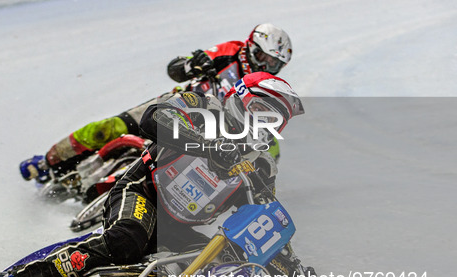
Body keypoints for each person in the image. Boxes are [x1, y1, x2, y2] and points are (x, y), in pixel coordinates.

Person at [0, 72, 318, 277]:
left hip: (177, 226)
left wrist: (292, 269)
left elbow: (262, 221)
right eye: (265, 113)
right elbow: (155, 118)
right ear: (244, 99)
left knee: (219, 269)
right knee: (126, 240)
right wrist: (208, 146)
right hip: (142, 190)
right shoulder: (203, 104)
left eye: (276, 121)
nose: (267, 125)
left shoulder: (260, 166)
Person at [20, 23, 294, 183]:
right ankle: (47, 160)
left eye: (275, 64)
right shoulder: (228, 52)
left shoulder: (265, 90)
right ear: (251, 47)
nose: (268, 66)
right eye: (265, 58)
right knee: (111, 127)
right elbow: (175, 69)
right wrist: (193, 64)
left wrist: (267, 160)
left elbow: (269, 138)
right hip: (179, 104)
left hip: (207, 135)